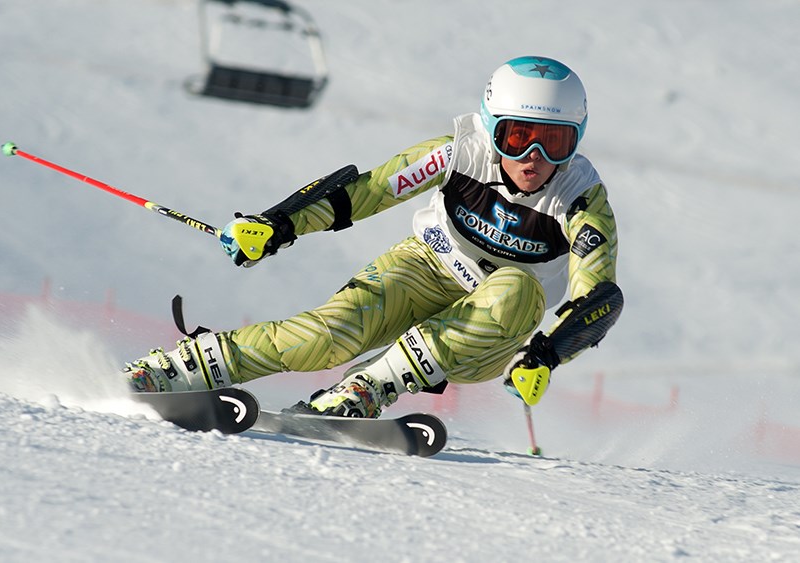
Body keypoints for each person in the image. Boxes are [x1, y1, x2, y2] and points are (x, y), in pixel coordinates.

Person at [126, 55, 624, 418]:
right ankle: (180, 368)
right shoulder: (456, 153)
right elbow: (365, 193)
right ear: (491, 127)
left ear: (576, 140)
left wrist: (545, 355)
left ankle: (366, 390)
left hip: (494, 331)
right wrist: (279, 224)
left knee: (517, 289)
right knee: (325, 337)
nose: (535, 157)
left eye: (555, 142)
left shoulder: (581, 198)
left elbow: (597, 294)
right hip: (424, 266)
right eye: (517, 137)